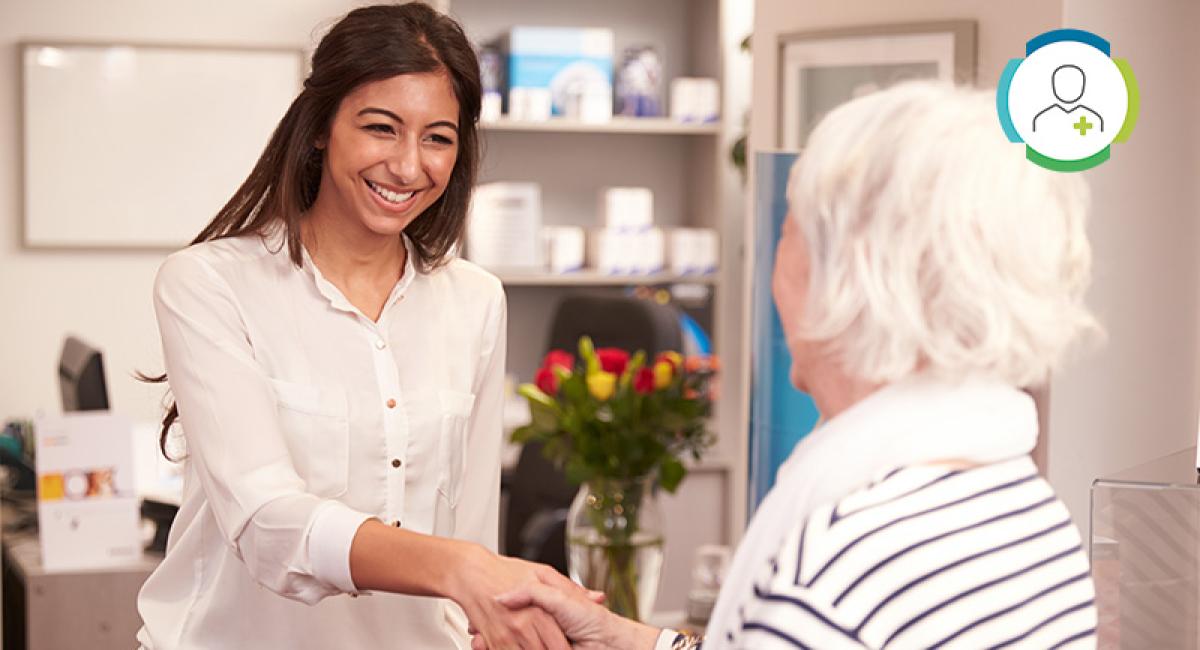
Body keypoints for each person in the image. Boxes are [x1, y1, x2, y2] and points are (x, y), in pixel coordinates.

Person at [484, 82, 1101, 649]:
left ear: (849, 277)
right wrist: (622, 638)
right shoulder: (1032, 514)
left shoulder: (834, 570)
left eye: (789, 232)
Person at [136, 4, 586, 649]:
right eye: (382, 128)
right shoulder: (209, 284)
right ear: (321, 127)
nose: (408, 166)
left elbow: (474, 523)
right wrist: (459, 569)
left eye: (438, 137)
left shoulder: (476, 300)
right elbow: (267, 522)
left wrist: (489, 605)